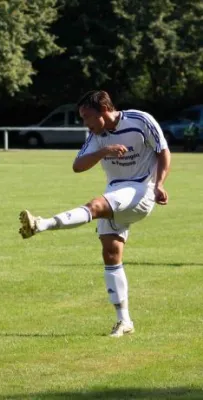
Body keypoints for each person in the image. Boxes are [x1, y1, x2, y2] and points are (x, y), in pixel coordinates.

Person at [18, 90, 171, 337]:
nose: (85, 123)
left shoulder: (141, 120)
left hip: (142, 190)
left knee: (95, 206)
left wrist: (160, 184)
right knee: (111, 254)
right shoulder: (96, 136)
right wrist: (103, 151)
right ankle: (125, 322)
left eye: (87, 116)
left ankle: (41, 224)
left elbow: (163, 151)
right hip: (116, 191)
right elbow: (77, 166)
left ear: (104, 110)